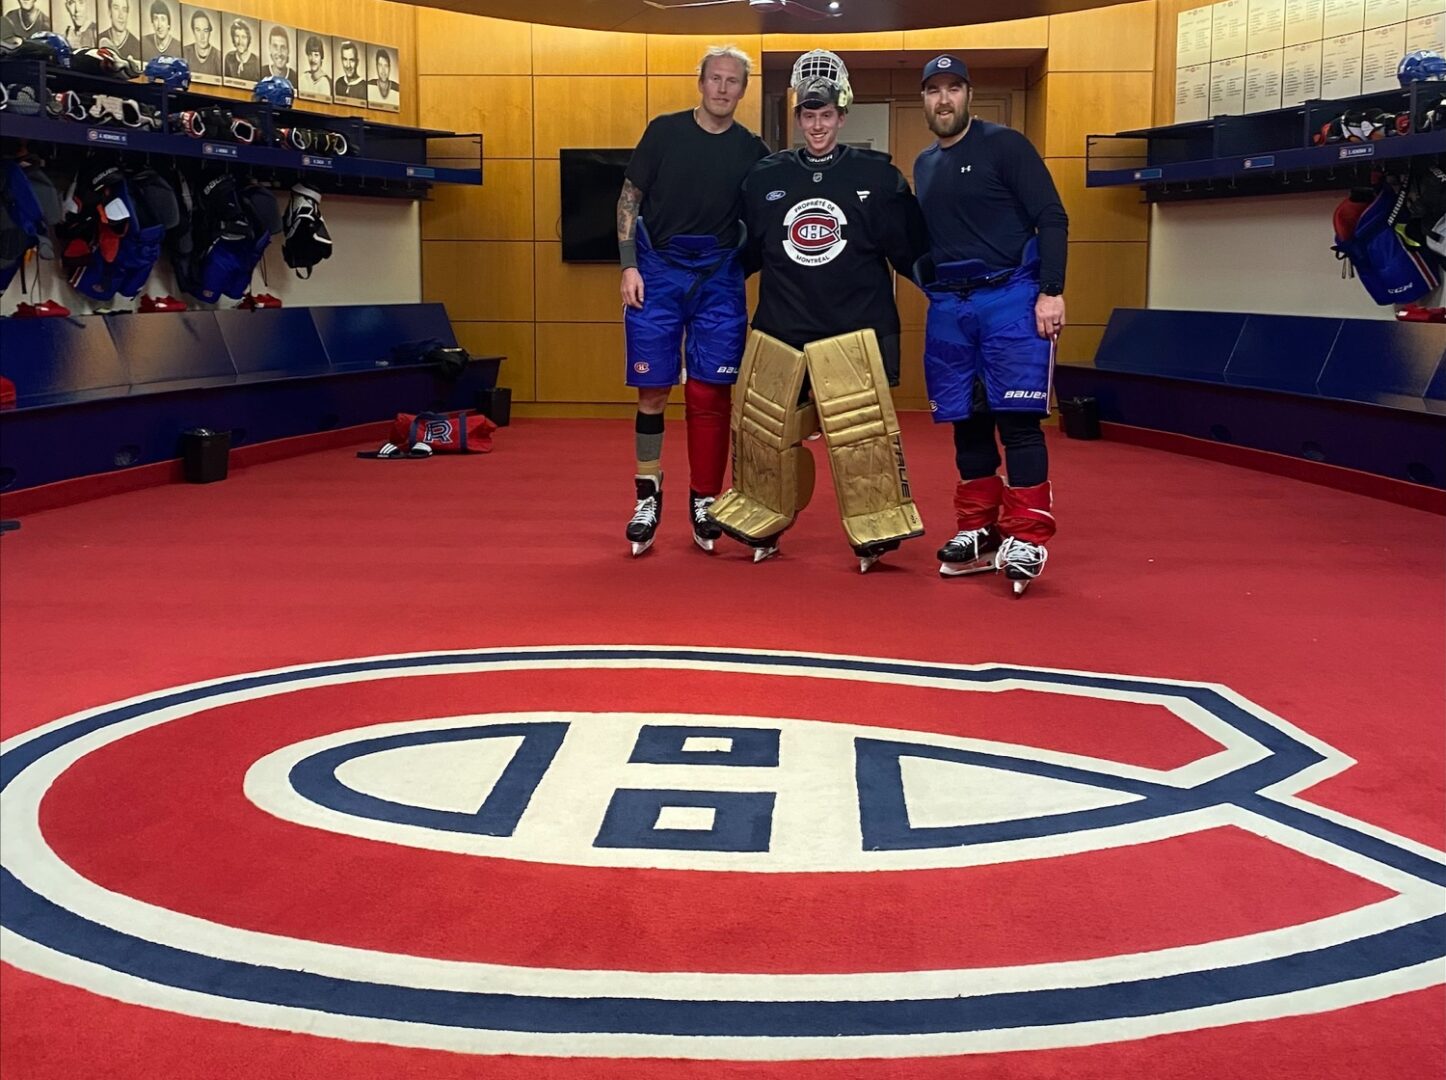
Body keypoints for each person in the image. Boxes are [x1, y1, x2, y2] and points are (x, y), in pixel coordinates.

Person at [709, 49, 929, 572]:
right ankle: (761, 515)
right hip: (780, 333)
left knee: (860, 442)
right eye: (808, 115)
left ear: (842, 115)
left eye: (826, 115)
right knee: (763, 437)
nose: (816, 125)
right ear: (797, 117)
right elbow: (743, 254)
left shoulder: (879, 177)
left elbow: (914, 253)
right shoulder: (763, 178)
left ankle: (875, 528)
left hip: (852, 333)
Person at [913, 54, 1069, 596]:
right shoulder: (925, 164)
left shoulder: (1005, 146)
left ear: (969, 95)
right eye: (934, 91)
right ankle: (978, 529)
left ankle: (1026, 534)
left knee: (1017, 417)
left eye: (954, 88)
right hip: (952, 307)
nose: (944, 99)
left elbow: (1052, 215)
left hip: (1012, 297)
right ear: (925, 101)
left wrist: (1052, 290)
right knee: (966, 419)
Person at [616, 44, 767, 556]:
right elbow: (629, 197)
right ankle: (647, 493)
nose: (723, 89)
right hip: (656, 273)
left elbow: (767, 219)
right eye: (716, 79)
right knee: (653, 390)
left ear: (743, 91)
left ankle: (704, 498)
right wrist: (628, 264)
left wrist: (739, 270)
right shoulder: (665, 131)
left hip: (718, 278)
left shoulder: (753, 150)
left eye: (733, 82)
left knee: (709, 394)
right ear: (700, 83)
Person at [182, 7, 219, 76]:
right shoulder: (185, 52)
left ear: (210, 32)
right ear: (193, 32)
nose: (202, 36)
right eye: (198, 30)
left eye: (205, 30)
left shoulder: (218, 55)